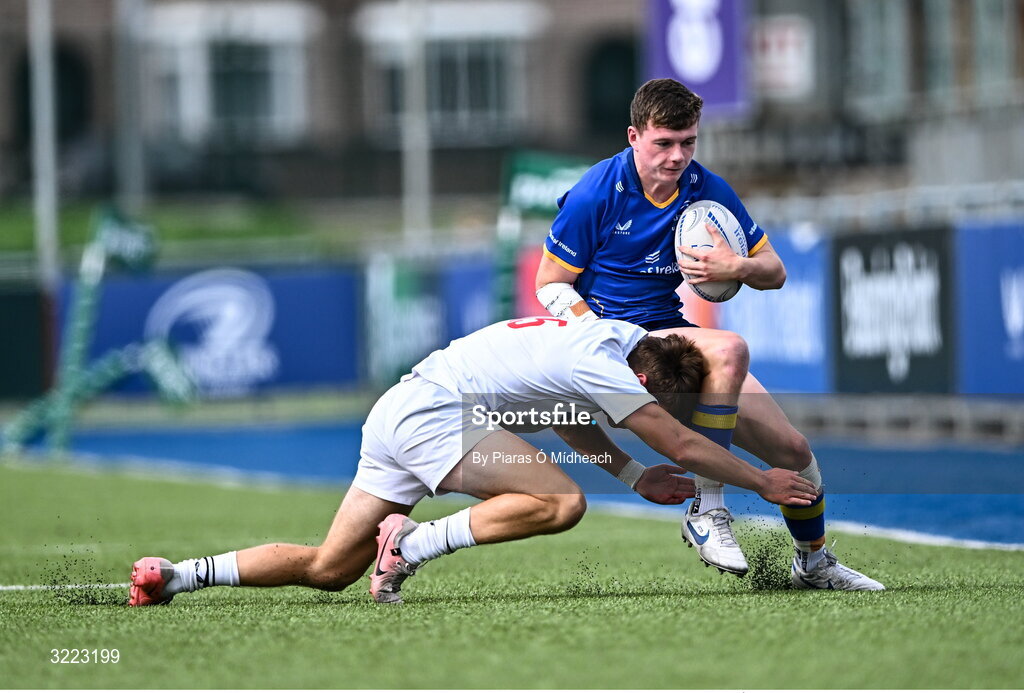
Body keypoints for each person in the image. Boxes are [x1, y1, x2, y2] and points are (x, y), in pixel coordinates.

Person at [128, 317, 820, 607]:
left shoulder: (605, 339)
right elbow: (682, 443)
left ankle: (178, 575)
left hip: (398, 410)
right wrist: (761, 479)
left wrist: (634, 477)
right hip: (434, 415)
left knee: (328, 568)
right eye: (662, 402)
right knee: (559, 502)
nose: (660, 413)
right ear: (648, 382)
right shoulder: (603, 360)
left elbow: (562, 416)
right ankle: (411, 543)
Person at [535, 78, 883, 589]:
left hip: (668, 331)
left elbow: (775, 271)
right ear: (634, 136)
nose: (678, 156)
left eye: (689, 142)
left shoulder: (707, 189)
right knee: (729, 347)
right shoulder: (595, 192)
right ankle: (709, 507)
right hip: (609, 339)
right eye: (664, 143)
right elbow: (549, 284)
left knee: (793, 450)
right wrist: (598, 337)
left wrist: (736, 264)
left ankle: (813, 564)